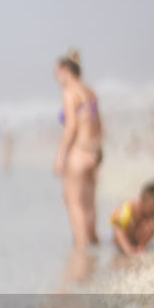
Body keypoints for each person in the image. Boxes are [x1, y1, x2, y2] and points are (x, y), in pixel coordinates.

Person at [53, 49, 103, 249]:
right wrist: (98, 151)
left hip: (78, 152)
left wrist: (60, 156)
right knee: (89, 203)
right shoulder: (90, 92)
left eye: (57, 72)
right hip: (93, 152)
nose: (56, 78)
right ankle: (94, 247)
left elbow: (71, 127)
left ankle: (81, 255)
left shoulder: (69, 92)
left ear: (66, 70)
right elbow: (99, 124)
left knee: (73, 203)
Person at [111, 181, 154, 255]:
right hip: (120, 242)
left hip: (136, 240)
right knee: (123, 224)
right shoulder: (128, 208)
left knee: (153, 223)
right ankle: (128, 246)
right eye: (152, 208)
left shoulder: (152, 216)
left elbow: (153, 226)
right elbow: (117, 230)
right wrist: (127, 248)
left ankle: (141, 246)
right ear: (142, 201)